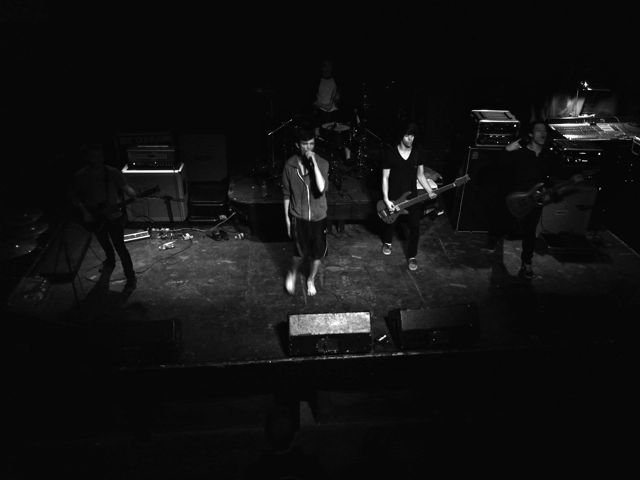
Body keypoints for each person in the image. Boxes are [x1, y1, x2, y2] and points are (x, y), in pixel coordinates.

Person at [70, 143, 138, 292]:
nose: (96, 159)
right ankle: (110, 261)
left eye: (99, 156)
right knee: (104, 242)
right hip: (95, 216)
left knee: (120, 247)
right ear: (87, 158)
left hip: (113, 216)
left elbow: (125, 187)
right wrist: (85, 212)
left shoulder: (112, 172)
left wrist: (131, 193)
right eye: (93, 156)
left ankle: (130, 277)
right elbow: (75, 197)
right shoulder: (81, 176)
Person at [380, 121, 440, 271]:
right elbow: (385, 178)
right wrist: (386, 199)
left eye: (412, 136)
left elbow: (420, 175)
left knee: (415, 226)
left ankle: (412, 256)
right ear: (401, 136)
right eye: (407, 136)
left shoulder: (417, 153)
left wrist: (429, 191)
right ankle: (387, 242)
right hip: (394, 195)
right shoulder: (390, 154)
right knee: (391, 221)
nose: (410, 139)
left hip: (412, 196)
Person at [282, 128, 330, 296]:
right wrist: (288, 220)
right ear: (298, 145)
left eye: (311, 144)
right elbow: (286, 194)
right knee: (298, 254)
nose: (309, 147)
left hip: (319, 217)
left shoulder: (322, 163)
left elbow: (321, 188)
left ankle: (311, 279)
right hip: (298, 216)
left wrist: (314, 163)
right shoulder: (290, 165)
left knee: (317, 255)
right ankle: (292, 273)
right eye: (305, 144)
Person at [505, 120, 554, 280]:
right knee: (506, 226)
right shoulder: (521, 153)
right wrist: (506, 150)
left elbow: (549, 179)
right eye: (539, 130)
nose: (543, 133)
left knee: (530, 232)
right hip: (515, 199)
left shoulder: (547, 156)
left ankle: (527, 263)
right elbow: (501, 167)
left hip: (534, 200)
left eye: (545, 131)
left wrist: (547, 191)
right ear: (531, 134)